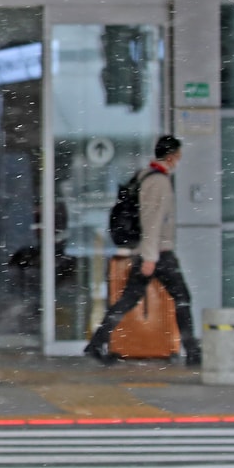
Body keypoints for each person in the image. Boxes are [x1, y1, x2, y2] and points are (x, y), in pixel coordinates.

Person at [85, 134, 202, 367]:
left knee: (128, 299)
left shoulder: (145, 175)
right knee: (182, 298)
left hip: (149, 251)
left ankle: (96, 343)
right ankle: (192, 352)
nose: (179, 159)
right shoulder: (158, 182)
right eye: (177, 154)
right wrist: (150, 257)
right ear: (171, 156)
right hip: (158, 252)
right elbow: (153, 220)